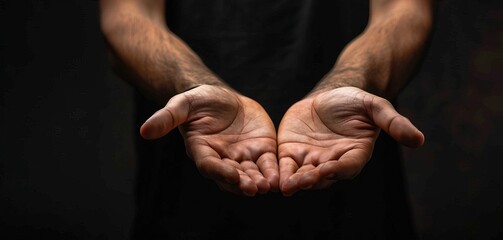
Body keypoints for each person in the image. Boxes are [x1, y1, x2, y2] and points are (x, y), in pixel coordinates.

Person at [99, 0, 434, 239]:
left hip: (353, 188)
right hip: (185, 194)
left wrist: (350, 82)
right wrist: (196, 86)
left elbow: (406, 12)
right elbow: (127, 17)